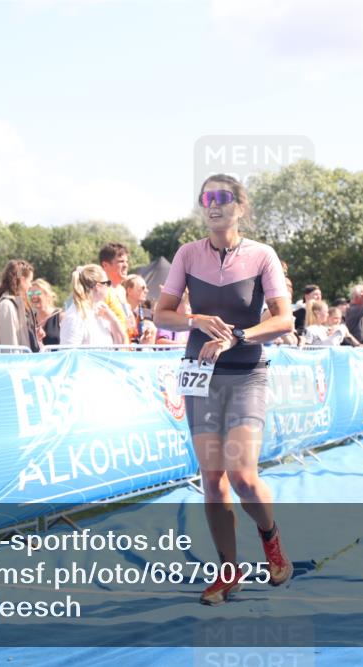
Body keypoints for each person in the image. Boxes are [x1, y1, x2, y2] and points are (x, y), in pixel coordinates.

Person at [154, 174, 293, 606]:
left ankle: (270, 537)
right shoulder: (188, 254)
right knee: (212, 480)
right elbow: (162, 315)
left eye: (222, 197)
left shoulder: (262, 255)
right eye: (206, 197)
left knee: (243, 476)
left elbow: (284, 320)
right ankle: (229, 570)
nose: (213, 204)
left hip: (247, 372)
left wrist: (239, 336)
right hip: (200, 373)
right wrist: (194, 319)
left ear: (241, 206)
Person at [61, 265, 127, 346]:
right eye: (108, 283)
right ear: (98, 286)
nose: (109, 287)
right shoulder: (75, 317)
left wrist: (113, 320)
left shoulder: (101, 311)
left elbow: (118, 345)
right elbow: (68, 352)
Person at [0, 259, 39, 350]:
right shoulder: (6, 306)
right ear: (22, 280)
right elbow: (10, 346)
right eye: (30, 281)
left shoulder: (19, 305)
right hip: (17, 359)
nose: (30, 285)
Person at [98, 242, 132, 337]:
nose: (126, 265)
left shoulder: (122, 290)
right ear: (105, 265)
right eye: (121, 261)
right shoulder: (99, 291)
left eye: (126, 261)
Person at [122, 274, 158, 344]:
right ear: (129, 290)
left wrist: (146, 337)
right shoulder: (120, 311)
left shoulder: (147, 313)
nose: (146, 291)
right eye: (143, 288)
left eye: (146, 288)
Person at [29, 279, 63, 347]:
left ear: (47, 294)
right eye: (30, 294)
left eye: (37, 293)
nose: (33, 296)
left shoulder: (61, 317)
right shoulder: (30, 320)